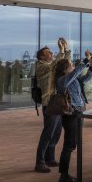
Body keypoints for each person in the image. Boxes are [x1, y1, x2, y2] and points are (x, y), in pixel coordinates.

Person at [53, 51, 92, 182]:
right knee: (69, 144)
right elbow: (76, 72)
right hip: (71, 114)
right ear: (65, 69)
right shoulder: (62, 81)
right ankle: (63, 175)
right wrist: (86, 60)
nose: (72, 65)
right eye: (70, 64)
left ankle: (64, 174)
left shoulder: (73, 79)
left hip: (78, 112)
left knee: (73, 142)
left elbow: (87, 79)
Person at [34, 39, 70, 173]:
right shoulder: (41, 66)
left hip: (57, 102)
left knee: (56, 132)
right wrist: (61, 51)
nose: (51, 54)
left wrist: (66, 50)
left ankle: (50, 158)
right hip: (49, 103)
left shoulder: (51, 66)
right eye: (48, 53)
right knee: (48, 133)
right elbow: (55, 64)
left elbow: (63, 65)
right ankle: (40, 162)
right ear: (42, 57)